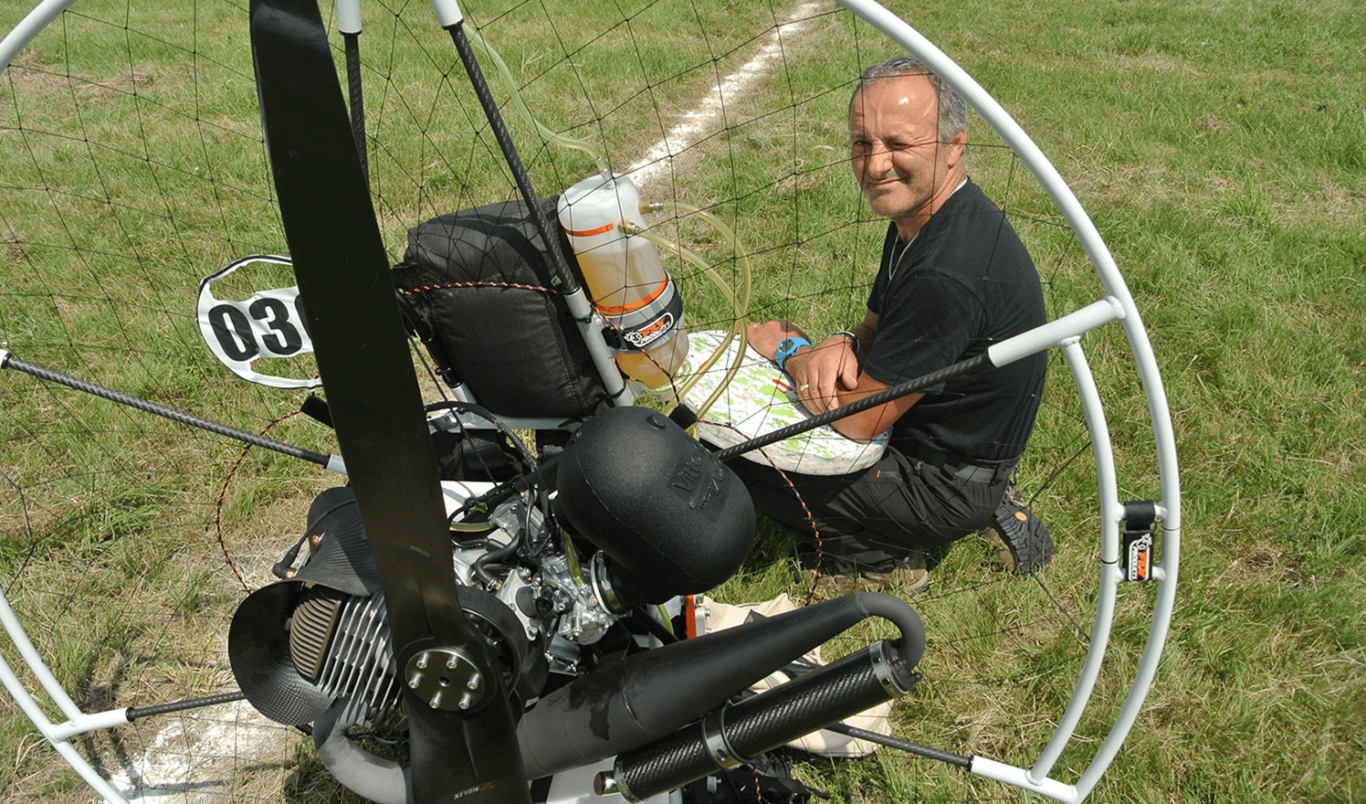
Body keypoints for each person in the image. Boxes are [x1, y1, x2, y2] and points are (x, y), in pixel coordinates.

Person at [738, 55, 1050, 594]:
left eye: (898, 144)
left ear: (955, 145)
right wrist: (841, 344)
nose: (876, 165)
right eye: (862, 144)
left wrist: (790, 350)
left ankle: (878, 554)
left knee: (739, 460)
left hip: (942, 482)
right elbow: (874, 329)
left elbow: (859, 422)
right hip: (949, 443)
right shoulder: (922, 215)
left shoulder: (948, 271)